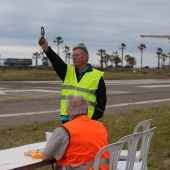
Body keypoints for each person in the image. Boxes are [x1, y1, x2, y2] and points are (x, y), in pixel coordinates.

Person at [39, 36, 107, 124]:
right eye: (73, 55)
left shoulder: (97, 76)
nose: (74, 57)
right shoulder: (67, 71)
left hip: (86, 120)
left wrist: (94, 117)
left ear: (86, 57)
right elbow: (56, 60)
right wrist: (46, 48)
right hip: (67, 119)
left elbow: (102, 100)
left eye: (77, 55)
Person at [42, 95, 109, 170]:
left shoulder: (64, 130)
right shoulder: (101, 126)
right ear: (87, 110)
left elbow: (46, 156)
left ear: (67, 111)